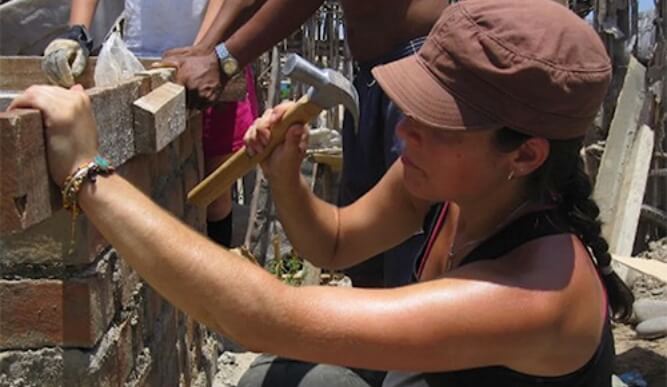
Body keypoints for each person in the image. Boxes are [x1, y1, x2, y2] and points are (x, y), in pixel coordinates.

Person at [10, 1, 634, 386]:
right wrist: (285, 174)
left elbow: (262, 318)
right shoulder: (453, 187)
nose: (405, 128)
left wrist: (88, 175)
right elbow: (333, 243)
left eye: (435, 119)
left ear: (524, 154)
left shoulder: (539, 294)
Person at [161, 0, 450, 288]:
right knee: (367, 266)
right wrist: (206, 51)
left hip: (412, 71)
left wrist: (224, 61)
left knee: (413, 265)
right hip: (373, 76)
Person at [41, 0, 258, 247]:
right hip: (142, 58)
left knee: (213, 195)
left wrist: (202, 50)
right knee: (146, 188)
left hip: (212, 58)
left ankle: (219, 277)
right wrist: (76, 32)